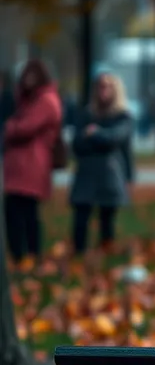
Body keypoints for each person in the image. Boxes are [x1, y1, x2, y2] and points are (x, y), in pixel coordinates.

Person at [2, 60, 63, 264]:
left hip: (33, 164)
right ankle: (20, 255)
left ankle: (30, 254)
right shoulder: (25, 100)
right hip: (19, 165)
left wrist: (10, 127)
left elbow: (26, 127)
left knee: (26, 211)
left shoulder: (46, 101)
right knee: (15, 211)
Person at [69, 69, 134, 253]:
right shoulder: (87, 114)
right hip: (87, 173)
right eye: (100, 86)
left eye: (107, 86)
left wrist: (94, 134)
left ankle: (106, 251)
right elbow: (77, 144)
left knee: (107, 219)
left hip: (110, 174)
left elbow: (116, 140)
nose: (103, 91)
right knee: (81, 216)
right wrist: (98, 140)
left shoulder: (123, 117)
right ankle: (79, 252)